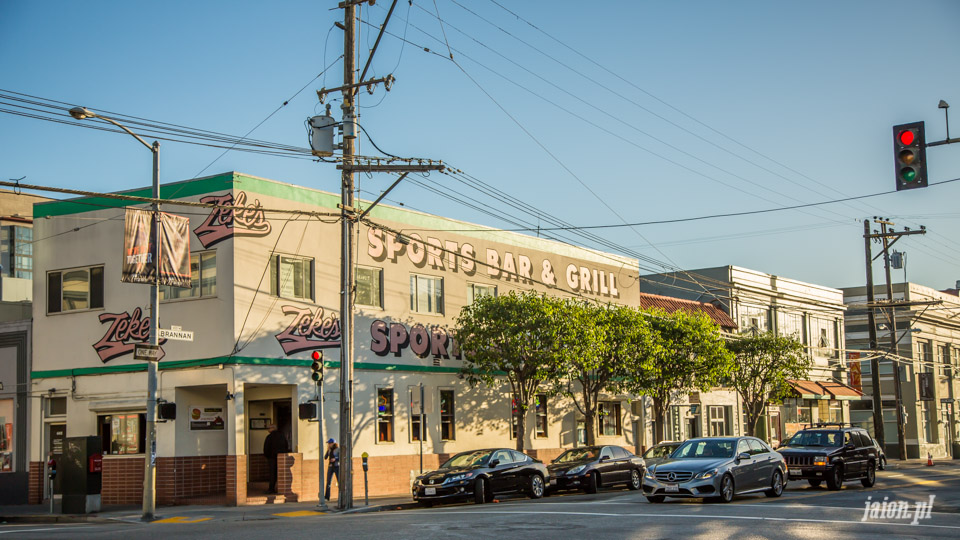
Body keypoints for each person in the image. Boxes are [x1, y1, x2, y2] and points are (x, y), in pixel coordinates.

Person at [263, 424, 289, 494]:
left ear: (272, 428)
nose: (268, 430)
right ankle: (282, 489)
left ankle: (271, 489)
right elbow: (286, 446)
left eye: (268, 428)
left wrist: (267, 456)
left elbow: (266, 448)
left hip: (272, 458)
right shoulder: (282, 436)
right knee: (281, 473)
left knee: (272, 474)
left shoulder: (269, 437)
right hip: (282, 457)